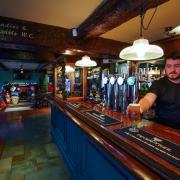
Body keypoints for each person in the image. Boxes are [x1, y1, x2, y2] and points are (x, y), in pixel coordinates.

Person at [128, 51, 180, 129]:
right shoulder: (159, 84)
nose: (172, 69)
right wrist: (139, 107)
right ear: (165, 68)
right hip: (162, 128)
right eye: (169, 66)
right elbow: (148, 100)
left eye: (177, 66)